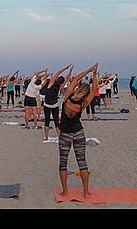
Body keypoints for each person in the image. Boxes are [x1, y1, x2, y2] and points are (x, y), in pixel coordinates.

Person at [57, 63, 98, 199]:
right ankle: (86, 192)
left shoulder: (68, 96)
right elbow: (95, 88)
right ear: (86, 94)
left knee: (63, 163)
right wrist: (94, 74)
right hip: (79, 133)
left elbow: (74, 80)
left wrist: (89, 69)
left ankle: (65, 191)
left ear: (78, 89)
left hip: (65, 134)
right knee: (82, 162)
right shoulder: (84, 103)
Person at [43, 64, 72, 141]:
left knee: (47, 121)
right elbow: (67, 79)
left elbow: (57, 73)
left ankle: (46, 137)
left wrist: (65, 68)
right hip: (54, 105)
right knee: (56, 122)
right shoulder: (60, 87)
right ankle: (59, 137)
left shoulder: (51, 83)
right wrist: (70, 71)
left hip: (47, 105)